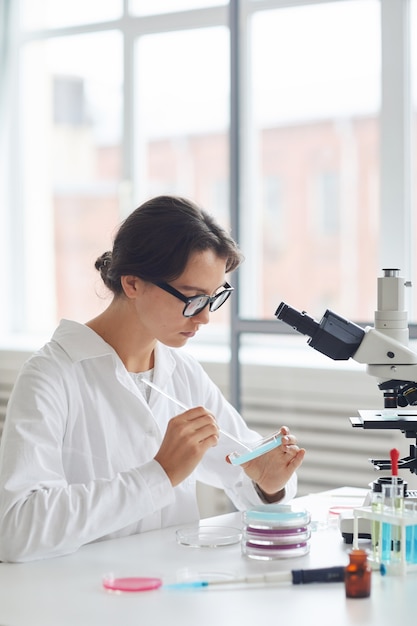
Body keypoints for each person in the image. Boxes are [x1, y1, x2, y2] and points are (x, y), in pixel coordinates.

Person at [0, 195, 305, 562]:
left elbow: (248, 478)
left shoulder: (182, 371)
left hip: (172, 594)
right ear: (132, 283)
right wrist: (159, 474)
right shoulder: (52, 375)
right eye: (192, 298)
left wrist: (268, 485)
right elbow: (17, 531)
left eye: (214, 298)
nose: (205, 317)